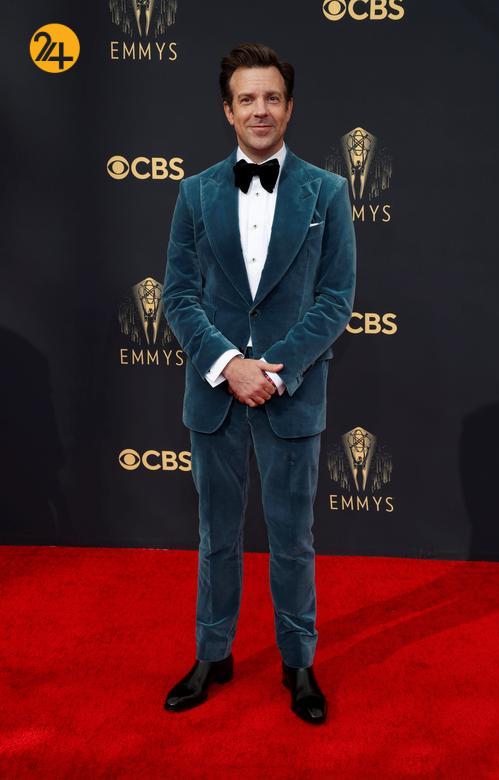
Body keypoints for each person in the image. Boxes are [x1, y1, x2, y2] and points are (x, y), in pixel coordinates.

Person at [162, 42, 356, 724]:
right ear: (228, 110)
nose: (260, 110)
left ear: (290, 107)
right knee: (215, 535)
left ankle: (299, 663)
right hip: (214, 392)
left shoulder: (328, 192)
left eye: (272, 97)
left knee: (292, 539)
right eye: (247, 98)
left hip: (289, 392)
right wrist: (228, 365)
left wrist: (274, 369)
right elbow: (177, 295)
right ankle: (212, 654)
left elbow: (336, 299)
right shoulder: (194, 193)